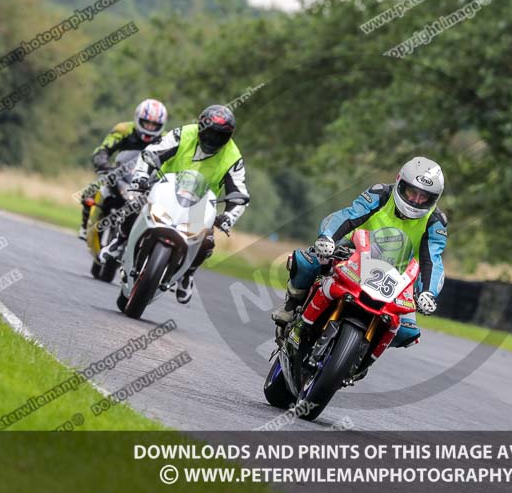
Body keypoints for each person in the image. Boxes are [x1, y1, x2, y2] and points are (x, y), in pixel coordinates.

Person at [272, 156, 448, 369]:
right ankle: (291, 307)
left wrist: (428, 292)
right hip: (353, 252)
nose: (416, 201)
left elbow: (432, 260)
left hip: (398, 277)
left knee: (407, 331)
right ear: (400, 182)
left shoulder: (435, 221)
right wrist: (328, 238)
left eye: (425, 198)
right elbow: (349, 215)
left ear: (434, 199)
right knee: (306, 262)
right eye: (412, 192)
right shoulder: (381, 193)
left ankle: (363, 359)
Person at [99, 104, 250, 304]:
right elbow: (152, 151)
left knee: (207, 239)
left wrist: (229, 216)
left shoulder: (233, 157)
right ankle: (119, 242)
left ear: (228, 137)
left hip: (201, 202)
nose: (213, 139)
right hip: (164, 184)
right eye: (210, 133)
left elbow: (240, 193)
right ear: (201, 127)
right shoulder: (183, 134)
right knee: (136, 202)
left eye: (220, 136)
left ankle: (187, 275)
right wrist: (141, 176)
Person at [79, 99, 168, 239]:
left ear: (161, 126)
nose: (150, 127)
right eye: (147, 123)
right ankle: (85, 227)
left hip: (146, 182)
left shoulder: (165, 139)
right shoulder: (124, 129)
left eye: (154, 125)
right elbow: (104, 149)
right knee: (89, 193)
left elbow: (172, 163)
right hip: (119, 174)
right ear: (138, 118)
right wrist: (102, 163)